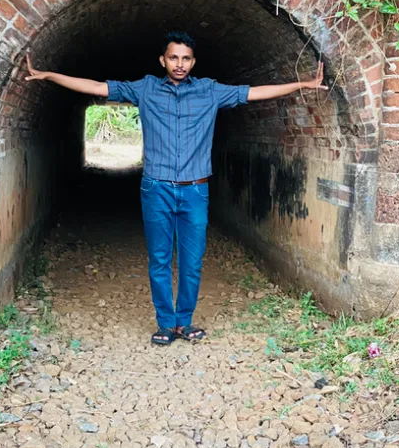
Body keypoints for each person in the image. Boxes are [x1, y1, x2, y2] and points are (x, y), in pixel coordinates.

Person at [26, 31, 327, 346]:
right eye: (173, 58)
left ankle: (184, 321)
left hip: (196, 190)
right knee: (159, 258)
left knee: (192, 259)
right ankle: (165, 324)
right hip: (156, 188)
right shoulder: (145, 89)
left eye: (185, 58)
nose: (179, 64)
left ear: (193, 61)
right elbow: (97, 86)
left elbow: (255, 92)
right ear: (163, 60)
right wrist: (49, 75)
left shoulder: (210, 91)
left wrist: (302, 85)